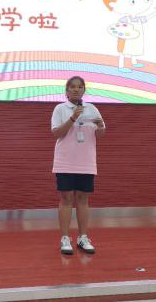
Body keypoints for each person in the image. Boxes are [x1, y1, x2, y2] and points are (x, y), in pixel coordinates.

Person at [51, 76, 106, 255]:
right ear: (67, 90)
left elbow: (100, 135)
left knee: (83, 199)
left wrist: (101, 126)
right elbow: (57, 133)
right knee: (66, 199)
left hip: (86, 161)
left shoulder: (92, 108)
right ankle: (65, 238)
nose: (76, 89)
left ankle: (83, 237)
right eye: (73, 87)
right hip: (65, 161)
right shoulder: (60, 109)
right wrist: (73, 118)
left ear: (84, 90)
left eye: (80, 87)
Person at [101, 0, 156, 72]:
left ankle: (134, 62)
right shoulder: (124, 19)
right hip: (126, 40)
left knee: (135, 49)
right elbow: (119, 29)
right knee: (123, 53)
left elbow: (147, 17)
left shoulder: (138, 18)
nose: (141, 4)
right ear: (112, 4)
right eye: (132, 1)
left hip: (137, 39)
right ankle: (121, 67)